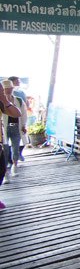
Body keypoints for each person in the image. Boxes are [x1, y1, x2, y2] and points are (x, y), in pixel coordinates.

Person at [0, 81, 22, 209]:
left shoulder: (2, 103)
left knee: (2, 170)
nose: (3, 92)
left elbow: (17, 113)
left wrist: (4, 100)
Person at [1, 79, 28, 184]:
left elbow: (22, 114)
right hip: (4, 128)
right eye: (6, 89)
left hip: (16, 126)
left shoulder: (18, 100)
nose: (8, 90)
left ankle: (14, 166)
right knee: (5, 150)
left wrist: (24, 125)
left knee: (15, 148)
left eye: (10, 88)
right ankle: (6, 173)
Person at [8, 76, 28, 161]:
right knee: (6, 144)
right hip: (7, 123)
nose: (19, 83)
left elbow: (25, 103)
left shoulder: (21, 93)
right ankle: (9, 159)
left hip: (19, 121)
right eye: (17, 81)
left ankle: (17, 155)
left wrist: (24, 124)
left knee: (20, 141)